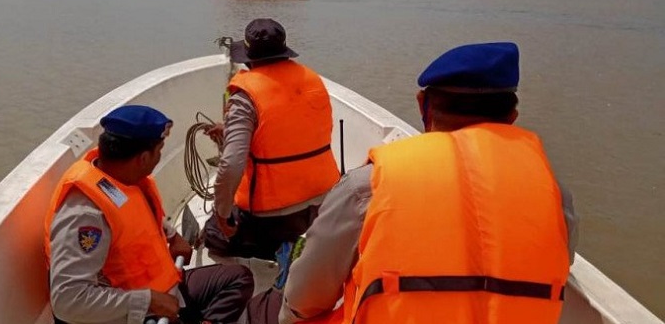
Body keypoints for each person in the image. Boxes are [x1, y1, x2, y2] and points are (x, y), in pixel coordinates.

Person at [268, 42, 579, 324]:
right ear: (512, 116)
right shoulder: (554, 194)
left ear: (423, 106)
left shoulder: (369, 185)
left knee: (271, 308)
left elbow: (305, 299)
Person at [44, 105, 254, 324]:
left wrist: (172, 236)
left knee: (238, 279)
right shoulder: (86, 215)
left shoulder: (120, 175)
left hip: (162, 288)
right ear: (144, 158)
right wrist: (148, 301)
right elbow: (67, 300)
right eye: (159, 150)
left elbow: (133, 215)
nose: (159, 157)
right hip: (131, 313)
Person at [203, 18, 341, 262]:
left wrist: (222, 214)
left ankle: (273, 254)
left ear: (248, 58)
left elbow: (232, 164)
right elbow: (286, 127)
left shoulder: (245, 97)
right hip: (322, 201)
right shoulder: (311, 80)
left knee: (213, 234)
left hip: (273, 215)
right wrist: (232, 129)